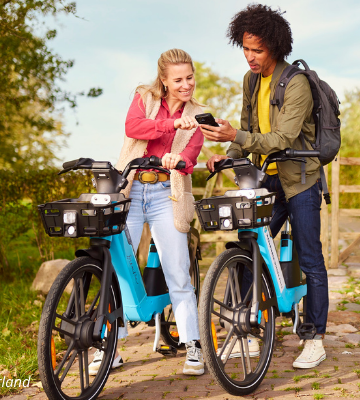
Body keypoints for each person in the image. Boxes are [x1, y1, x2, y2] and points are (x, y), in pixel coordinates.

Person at [201, 4, 329, 369]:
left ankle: (314, 337)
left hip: (301, 178)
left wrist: (237, 135)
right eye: (245, 48)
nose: (250, 56)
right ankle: (249, 328)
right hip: (266, 179)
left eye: (257, 50)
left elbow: (282, 136)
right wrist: (226, 153)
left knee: (310, 258)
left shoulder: (298, 83)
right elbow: (246, 130)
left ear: (275, 45)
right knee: (247, 251)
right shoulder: (250, 81)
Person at [89, 48, 205, 376]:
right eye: (179, 80)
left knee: (178, 271)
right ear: (165, 82)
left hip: (167, 194)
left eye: (190, 77)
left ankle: (192, 344)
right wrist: (169, 125)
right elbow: (133, 127)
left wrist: (177, 160)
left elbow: (192, 155)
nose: (186, 85)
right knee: (116, 267)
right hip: (131, 188)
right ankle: (109, 346)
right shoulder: (145, 97)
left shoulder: (198, 114)